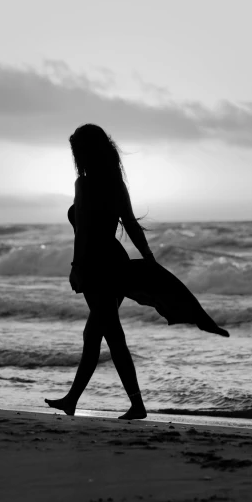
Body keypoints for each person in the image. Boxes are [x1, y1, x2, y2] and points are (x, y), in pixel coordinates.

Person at [45, 123, 154, 420]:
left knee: (112, 334)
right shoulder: (116, 183)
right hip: (116, 263)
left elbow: (82, 231)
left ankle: (137, 405)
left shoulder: (84, 184)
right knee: (94, 333)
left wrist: (76, 267)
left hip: (95, 266)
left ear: (84, 153)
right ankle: (72, 399)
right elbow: (130, 224)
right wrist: (148, 258)